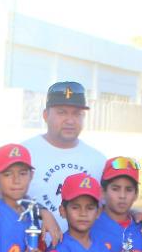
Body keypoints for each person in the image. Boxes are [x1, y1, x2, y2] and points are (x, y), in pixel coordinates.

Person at [23, 81, 107, 218]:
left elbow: (111, 204)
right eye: (62, 112)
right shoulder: (24, 153)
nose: (70, 120)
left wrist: (133, 213)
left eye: (76, 114)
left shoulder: (98, 160)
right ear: (45, 115)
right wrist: (39, 210)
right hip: (31, 239)